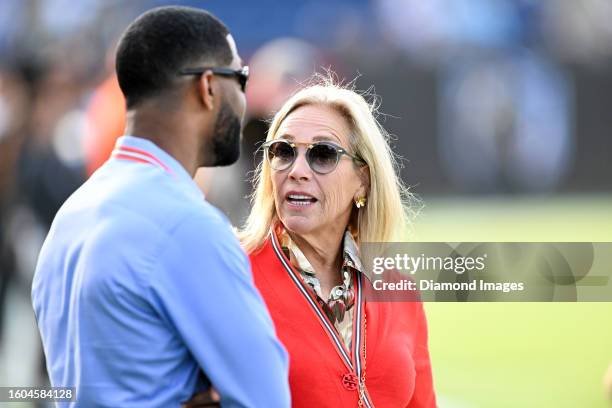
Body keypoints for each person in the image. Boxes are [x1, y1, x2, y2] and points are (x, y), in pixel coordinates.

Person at [31, 6, 290, 407]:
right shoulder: (188, 225)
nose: (244, 97)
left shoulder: (71, 216)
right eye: (240, 78)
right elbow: (267, 399)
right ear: (207, 87)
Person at [240, 77, 436, 407]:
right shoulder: (233, 274)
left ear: (362, 180)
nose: (297, 170)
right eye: (283, 151)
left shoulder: (398, 289)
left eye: (323, 154)